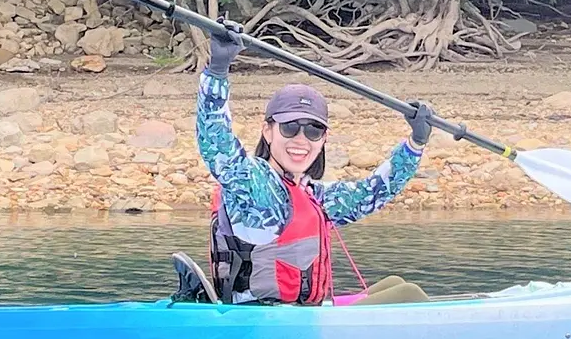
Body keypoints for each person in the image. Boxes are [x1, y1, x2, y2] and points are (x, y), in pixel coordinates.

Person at [178, 22, 434, 306]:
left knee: (396, 285)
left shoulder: (311, 194)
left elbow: (370, 194)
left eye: (313, 130)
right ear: (268, 131)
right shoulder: (255, 187)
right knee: (408, 295)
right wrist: (217, 71)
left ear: (323, 138)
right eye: (290, 128)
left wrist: (415, 145)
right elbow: (218, 145)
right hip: (265, 324)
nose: (301, 139)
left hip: (299, 318)